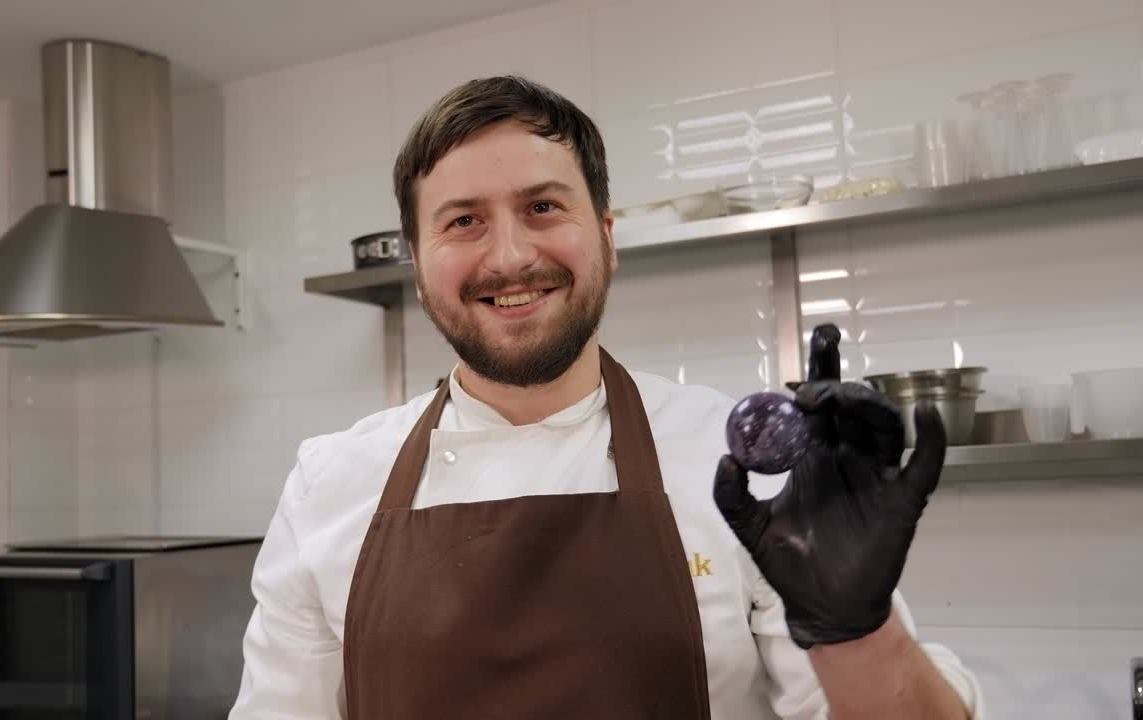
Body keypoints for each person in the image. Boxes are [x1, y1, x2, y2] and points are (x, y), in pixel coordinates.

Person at [229, 75, 986, 719]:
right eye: (464, 221)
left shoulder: (733, 463)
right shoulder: (331, 482)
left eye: (544, 208)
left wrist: (859, 631)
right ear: (420, 264)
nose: (512, 255)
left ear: (607, 238)